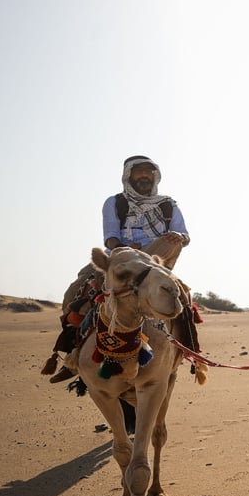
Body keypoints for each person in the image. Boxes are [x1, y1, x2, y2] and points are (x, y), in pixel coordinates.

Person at [44, 155, 191, 384]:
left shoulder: (168, 204)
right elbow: (110, 237)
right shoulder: (115, 203)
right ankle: (72, 355)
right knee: (76, 290)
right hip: (122, 259)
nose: (144, 176)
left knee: (183, 297)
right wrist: (123, 250)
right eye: (138, 171)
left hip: (156, 259)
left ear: (155, 176)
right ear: (128, 176)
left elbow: (185, 235)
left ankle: (190, 351)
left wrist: (178, 236)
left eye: (148, 172)